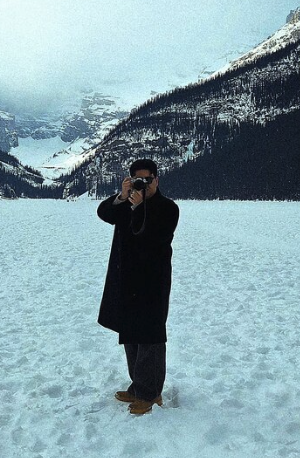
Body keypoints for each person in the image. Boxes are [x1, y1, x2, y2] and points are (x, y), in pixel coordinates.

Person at [96, 158, 180, 415]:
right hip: (127, 280)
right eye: (138, 180)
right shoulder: (128, 202)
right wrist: (122, 197)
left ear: (157, 179)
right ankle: (138, 386)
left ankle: (151, 393)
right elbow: (104, 213)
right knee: (131, 334)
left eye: (148, 179)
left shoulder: (167, 208)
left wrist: (141, 207)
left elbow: (156, 236)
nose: (144, 184)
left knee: (151, 338)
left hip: (152, 282)